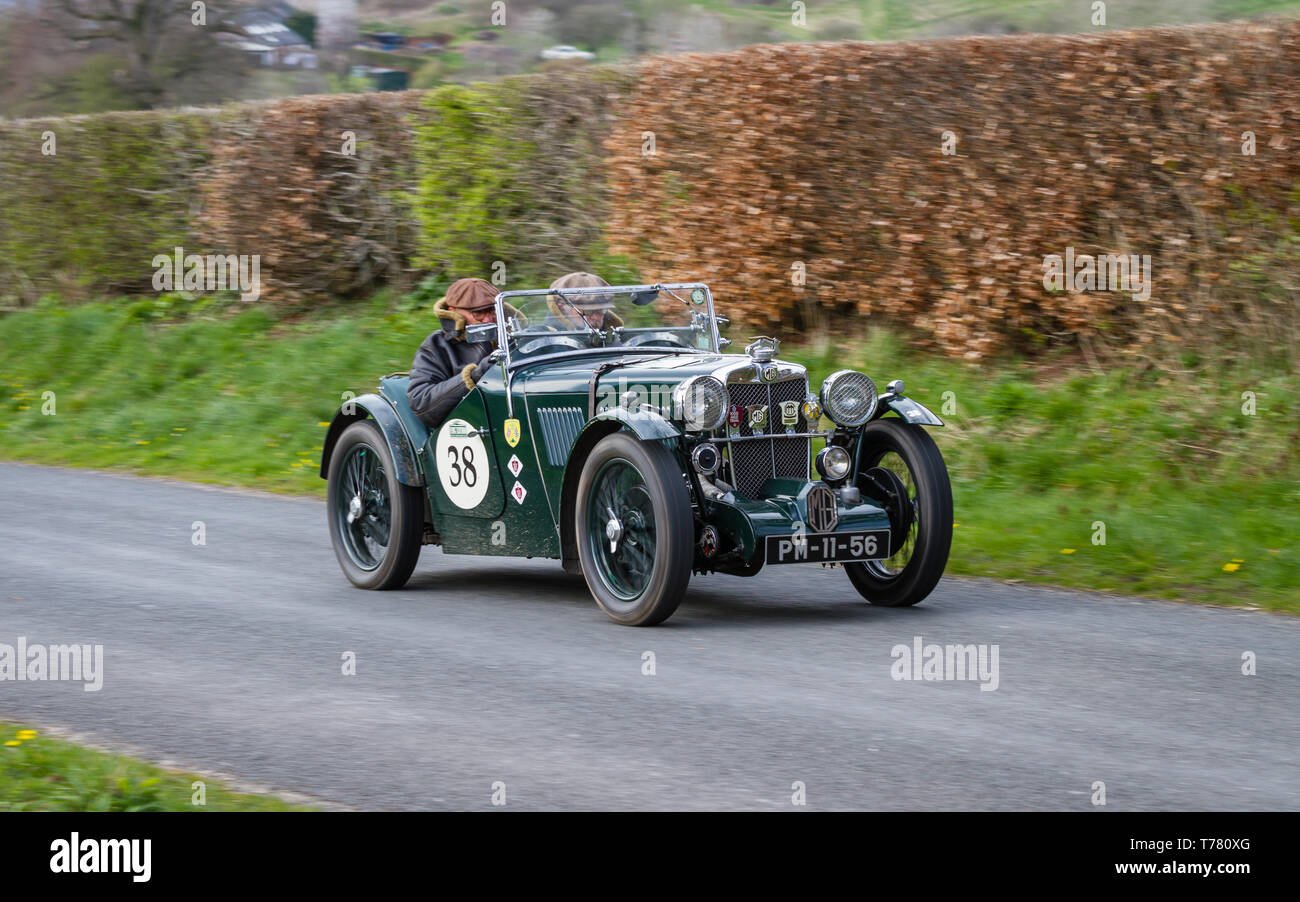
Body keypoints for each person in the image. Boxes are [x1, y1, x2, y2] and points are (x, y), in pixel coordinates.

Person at [406, 277, 500, 428]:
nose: (488, 319)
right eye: (478, 313)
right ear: (454, 312)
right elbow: (422, 403)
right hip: (469, 425)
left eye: (493, 310)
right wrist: (475, 375)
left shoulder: (517, 336)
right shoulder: (436, 345)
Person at [543, 272, 622, 332]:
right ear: (562, 308)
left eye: (601, 310)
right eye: (588, 311)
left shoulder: (617, 335)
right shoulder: (545, 338)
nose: (596, 317)